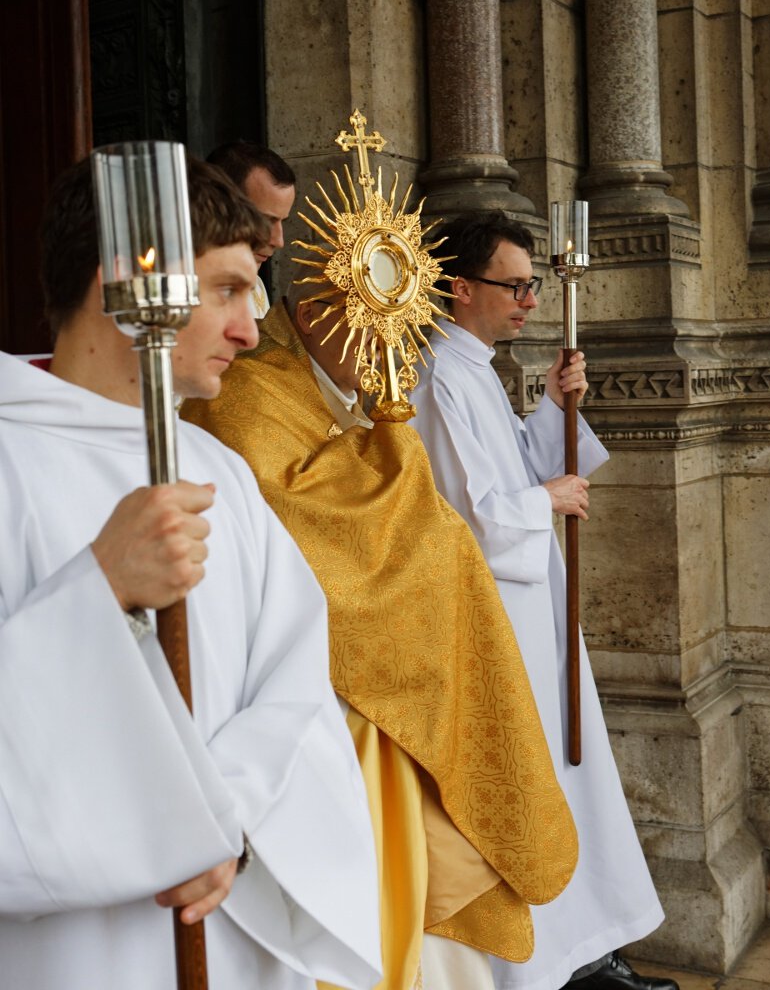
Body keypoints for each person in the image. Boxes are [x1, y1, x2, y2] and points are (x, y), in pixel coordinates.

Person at [0, 156, 381, 990]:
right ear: (130, 287)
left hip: (225, 909)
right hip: (71, 954)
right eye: (227, 292)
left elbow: (295, 683)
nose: (252, 329)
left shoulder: (219, 468)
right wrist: (94, 590)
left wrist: (225, 823)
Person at [182, 280, 581, 990]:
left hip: (392, 690)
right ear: (307, 314)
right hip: (336, 704)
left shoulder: (343, 394)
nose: (385, 342)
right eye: (366, 319)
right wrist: (391, 450)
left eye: (397, 323)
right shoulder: (245, 394)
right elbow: (324, 527)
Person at [409, 211, 677, 990]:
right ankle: (557, 959)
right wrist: (548, 499)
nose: (530, 299)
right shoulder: (435, 375)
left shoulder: (479, 368)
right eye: (515, 284)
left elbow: (519, 467)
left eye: (533, 286)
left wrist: (558, 409)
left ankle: (587, 946)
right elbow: (464, 518)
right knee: (535, 781)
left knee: (567, 773)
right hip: (495, 616)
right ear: (461, 287)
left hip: (532, 607)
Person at [206, 140, 296, 317]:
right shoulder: (179, 290)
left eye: (281, 222)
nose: (279, 241)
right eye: (265, 220)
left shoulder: (256, 288)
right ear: (221, 208)